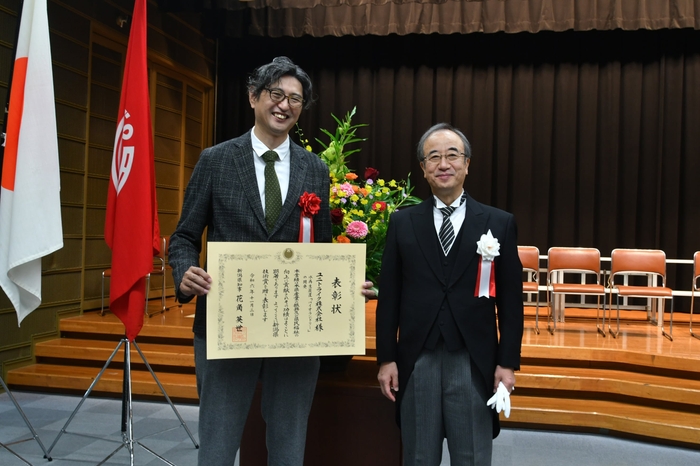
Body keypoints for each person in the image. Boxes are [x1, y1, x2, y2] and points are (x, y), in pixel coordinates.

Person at [169, 56, 375, 466]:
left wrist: (347, 286)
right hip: (229, 323)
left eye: (295, 99)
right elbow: (184, 237)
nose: (285, 105)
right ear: (253, 98)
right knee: (218, 444)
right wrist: (184, 271)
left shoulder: (313, 168)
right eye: (276, 94)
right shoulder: (216, 160)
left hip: (294, 332)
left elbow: (319, 247)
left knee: (288, 445)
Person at [375, 123, 524, 465]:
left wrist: (507, 362)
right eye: (434, 157)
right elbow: (390, 299)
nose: (444, 164)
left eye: (452, 155)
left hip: (473, 360)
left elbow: (511, 302)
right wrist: (386, 358)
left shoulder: (498, 223)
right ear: (423, 169)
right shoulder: (402, 223)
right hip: (417, 358)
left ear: (467, 164)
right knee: (418, 456)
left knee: (471, 455)